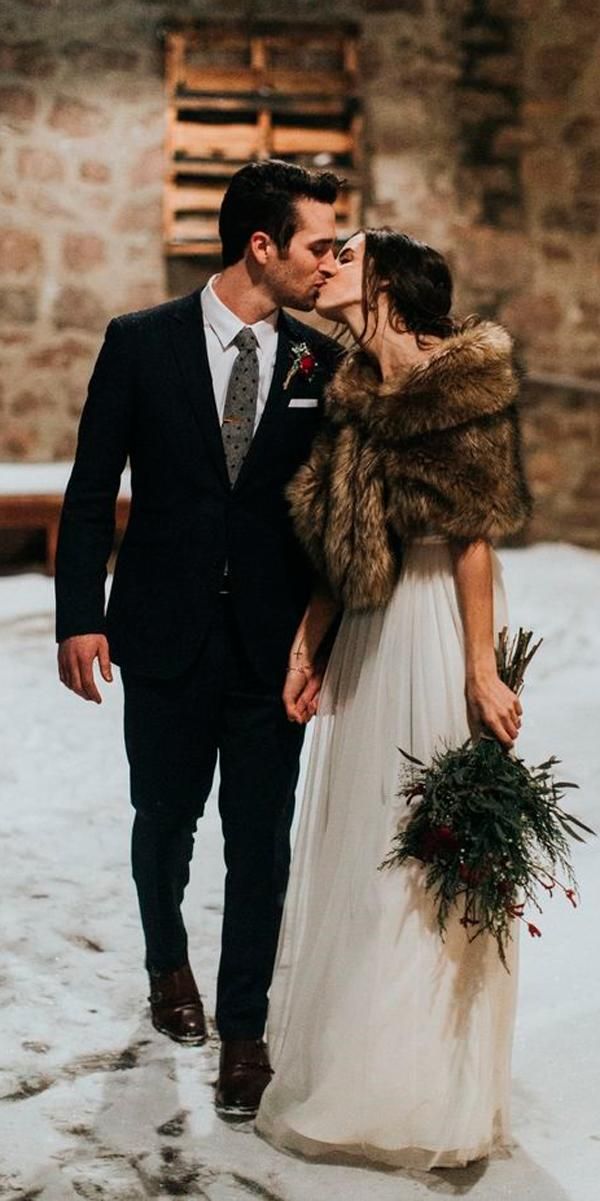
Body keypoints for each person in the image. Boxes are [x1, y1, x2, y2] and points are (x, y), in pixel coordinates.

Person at [54, 159, 343, 1118]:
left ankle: (246, 1028)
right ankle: (166, 960)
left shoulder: (321, 363)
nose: (330, 260)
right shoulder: (138, 343)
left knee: (260, 844)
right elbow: (92, 489)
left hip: (272, 651)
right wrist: (79, 616)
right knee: (164, 822)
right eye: (317, 243)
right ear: (261, 244)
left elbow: (334, 513)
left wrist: (324, 635)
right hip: (164, 632)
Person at [255, 229, 532, 1168]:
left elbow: (473, 537)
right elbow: (344, 538)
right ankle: (361, 1067)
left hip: (432, 627)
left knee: (423, 857)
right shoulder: (354, 390)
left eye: (347, 252)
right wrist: (309, 643)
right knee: (368, 846)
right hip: (371, 628)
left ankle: (425, 1088)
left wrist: (481, 666)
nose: (325, 260)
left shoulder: (457, 383)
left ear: (386, 284)